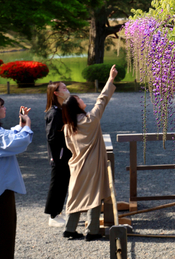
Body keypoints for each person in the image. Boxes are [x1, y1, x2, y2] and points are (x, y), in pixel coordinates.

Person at [61, 65, 118, 241]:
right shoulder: (90, 120)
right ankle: (92, 231)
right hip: (92, 164)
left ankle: (69, 228)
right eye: (78, 99)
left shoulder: (67, 127)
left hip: (76, 164)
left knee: (75, 194)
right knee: (94, 195)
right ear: (76, 106)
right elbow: (102, 100)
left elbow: (70, 147)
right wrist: (110, 79)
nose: (81, 99)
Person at [0, 96, 33, 259]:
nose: (5, 108)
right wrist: (28, 124)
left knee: (5, 228)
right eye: (2, 106)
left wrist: (21, 124)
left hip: (1, 185)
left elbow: (10, 135)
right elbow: (19, 142)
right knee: (1, 229)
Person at [44, 81, 72, 227]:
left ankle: (58, 212)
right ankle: (53, 215)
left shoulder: (61, 109)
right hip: (59, 155)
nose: (67, 90)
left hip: (64, 154)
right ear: (56, 93)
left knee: (63, 183)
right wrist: (67, 136)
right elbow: (52, 137)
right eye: (64, 88)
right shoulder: (55, 112)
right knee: (57, 185)